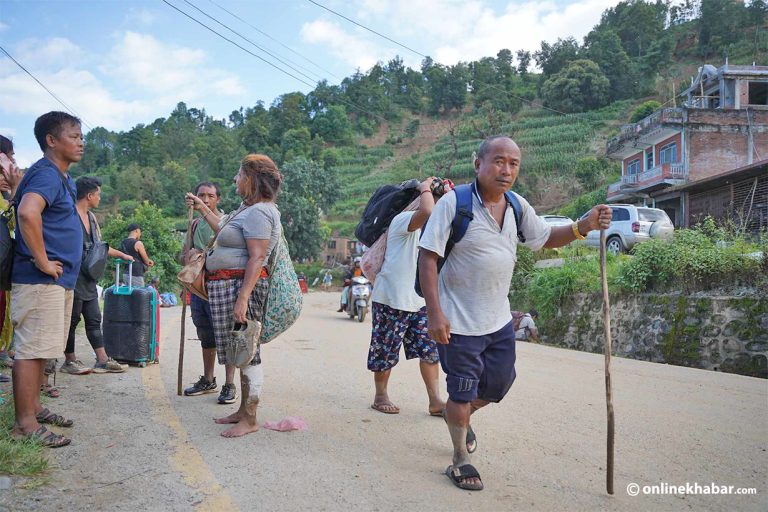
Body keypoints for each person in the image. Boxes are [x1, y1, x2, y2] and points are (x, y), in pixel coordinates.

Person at [418, 135, 611, 491]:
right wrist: (435, 313)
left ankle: (459, 416)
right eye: (498, 161)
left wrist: (582, 226)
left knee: (499, 384)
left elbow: (544, 238)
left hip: (498, 320)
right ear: (479, 164)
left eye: (513, 163)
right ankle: (460, 458)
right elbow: (427, 257)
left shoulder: (517, 206)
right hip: (458, 321)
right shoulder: (455, 204)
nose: (506, 170)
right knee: (460, 391)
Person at [185, 154, 283, 437]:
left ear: (251, 179)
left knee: (248, 351)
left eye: (239, 175)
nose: (235, 180)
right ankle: (242, 410)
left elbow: (257, 257)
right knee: (238, 351)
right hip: (227, 287)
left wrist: (243, 299)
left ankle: (250, 418)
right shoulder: (246, 210)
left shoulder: (261, 212)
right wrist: (203, 207)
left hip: (239, 289)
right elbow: (222, 229)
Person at [10, 111, 87, 448]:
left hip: (55, 281)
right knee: (30, 350)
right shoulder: (47, 175)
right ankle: (24, 425)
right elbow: (28, 212)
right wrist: (42, 260)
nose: (81, 141)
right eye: (73, 135)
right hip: (40, 279)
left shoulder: (58, 177)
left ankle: (35, 408)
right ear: (51, 141)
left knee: (41, 348)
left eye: (81, 135)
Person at [368, 177, 446, 416]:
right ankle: (380, 395)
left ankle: (435, 401)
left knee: (430, 351)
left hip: (419, 301)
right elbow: (426, 209)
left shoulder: (431, 230)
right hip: (391, 298)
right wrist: (425, 188)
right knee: (385, 351)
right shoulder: (402, 221)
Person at [60, 176, 132, 376]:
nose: (100, 198)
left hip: (88, 278)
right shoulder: (69, 215)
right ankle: (69, 360)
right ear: (89, 195)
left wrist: (123, 254)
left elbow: (98, 248)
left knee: (93, 318)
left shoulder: (92, 218)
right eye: (98, 194)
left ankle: (102, 359)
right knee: (72, 320)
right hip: (72, 276)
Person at [182, 181, 238, 405]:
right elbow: (186, 255)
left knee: (226, 334)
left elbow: (224, 237)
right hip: (199, 287)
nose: (205, 200)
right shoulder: (194, 224)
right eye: (201, 195)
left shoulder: (226, 221)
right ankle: (208, 379)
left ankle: (230, 384)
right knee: (205, 333)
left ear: (218, 199)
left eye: (210, 196)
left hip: (222, 285)